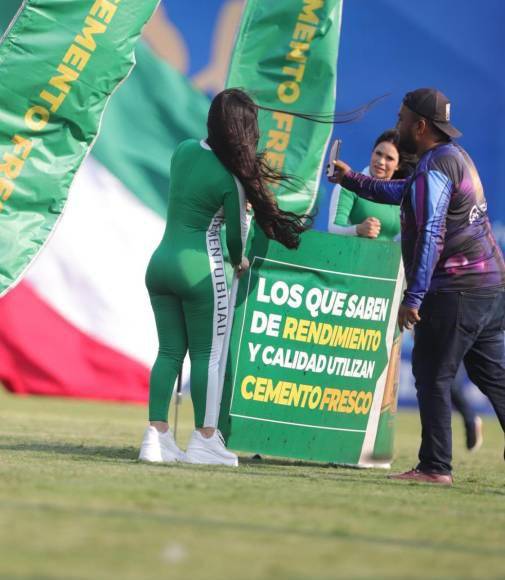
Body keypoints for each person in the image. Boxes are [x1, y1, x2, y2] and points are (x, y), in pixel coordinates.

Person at [330, 88, 505, 485]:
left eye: (400, 119)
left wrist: (414, 296)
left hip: (458, 289)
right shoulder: (452, 158)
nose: (397, 125)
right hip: (490, 288)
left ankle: (434, 467)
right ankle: (435, 465)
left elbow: (429, 234)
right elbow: (404, 192)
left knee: (431, 374)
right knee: (492, 376)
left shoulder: (434, 168)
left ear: (420, 126)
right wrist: (352, 180)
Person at [139, 88, 310, 466]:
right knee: (208, 357)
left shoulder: (183, 150)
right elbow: (234, 237)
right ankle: (205, 441)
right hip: (202, 270)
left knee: (168, 353)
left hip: (160, 264)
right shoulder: (232, 180)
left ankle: (155, 436)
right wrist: (240, 259)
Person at [328, 129, 407, 240]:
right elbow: (333, 227)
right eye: (378, 153)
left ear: (399, 165)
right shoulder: (347, 186)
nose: (381, 161)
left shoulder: (403, 195)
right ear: (372, 153)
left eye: (389, 158)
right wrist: (358, 229)